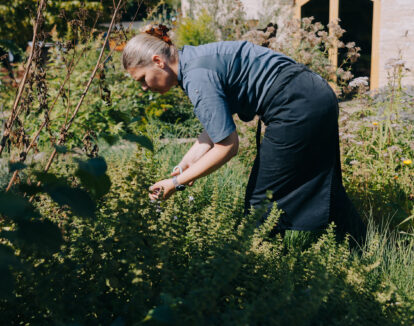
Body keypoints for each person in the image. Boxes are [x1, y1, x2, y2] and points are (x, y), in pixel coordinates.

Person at [122, 24, 366, 244]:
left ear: (158, 61)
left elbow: (227, 145)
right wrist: (187, 162)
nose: (144, 88)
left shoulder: (196, 76)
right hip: (314, 95)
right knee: (321, 180)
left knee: (261, 202)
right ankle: (361, 246)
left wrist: (176, 183)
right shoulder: (195, 60)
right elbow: (216, 126)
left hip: (295, 104)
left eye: (142, 79)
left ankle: (263, 273)